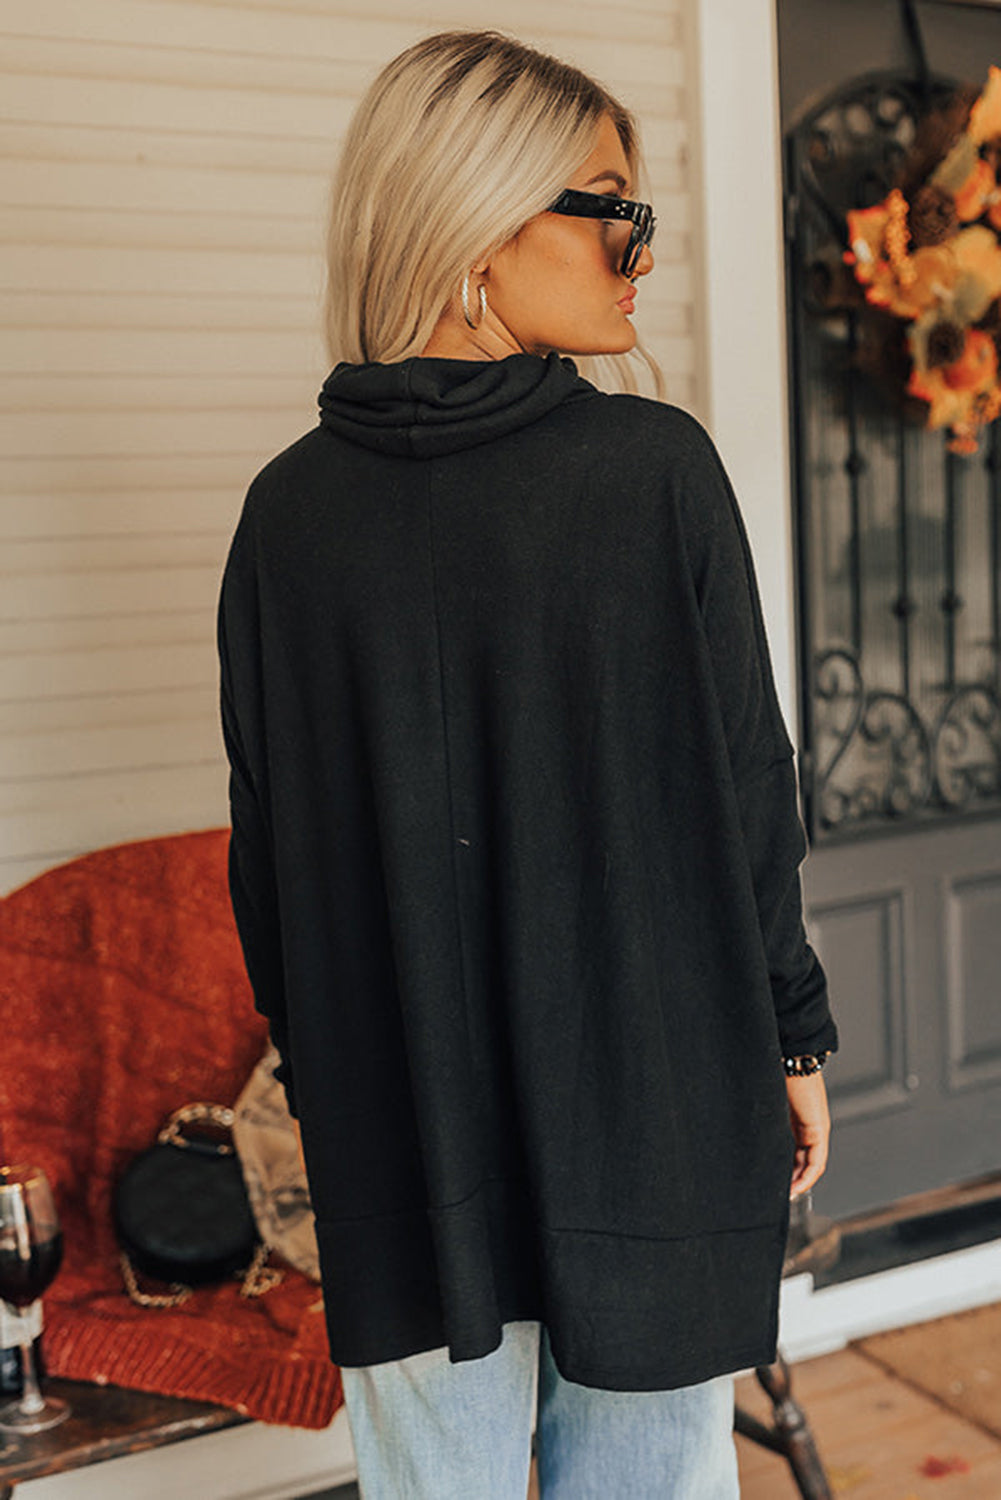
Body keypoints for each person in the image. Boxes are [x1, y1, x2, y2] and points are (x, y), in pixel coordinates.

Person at [217, 29, 838, 1500]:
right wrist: (793, 1042)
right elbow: (749, 798)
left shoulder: (286, 518)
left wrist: (334, 1079)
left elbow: (270, 863)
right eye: (613, 210)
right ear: (477, 230)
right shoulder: (652, 473)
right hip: (653, 1104)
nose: (640, 252)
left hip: (399, 1125)